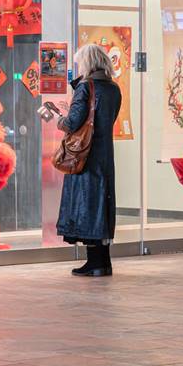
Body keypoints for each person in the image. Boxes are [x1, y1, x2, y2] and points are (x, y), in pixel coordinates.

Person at [56, 44, 122, 277]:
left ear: (87, 63)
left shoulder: (85, 87)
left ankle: (93, 264)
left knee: (86, 206)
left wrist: (58, 118)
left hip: (85, 156)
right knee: (101, 206)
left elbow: (73, 123)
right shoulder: (113, 88)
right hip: (105, 155)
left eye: (80, 63)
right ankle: (104, 263)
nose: (78, 67)